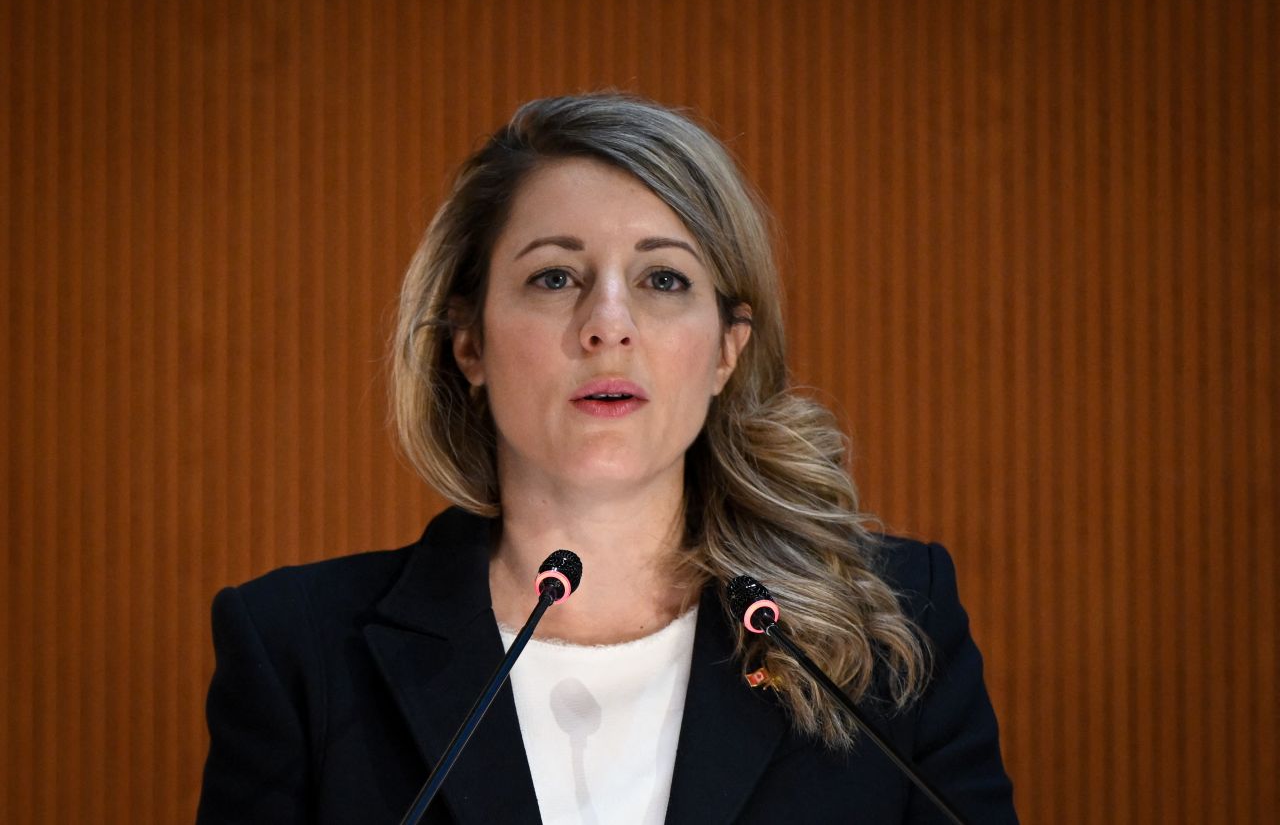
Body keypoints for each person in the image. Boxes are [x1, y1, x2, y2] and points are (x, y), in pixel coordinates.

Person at [197, 93, 1018, 824]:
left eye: (663, 279)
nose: (608, 324)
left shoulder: (894, 629)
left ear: (728, 350)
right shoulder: (299, 652)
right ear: (469, 341)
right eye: (555, 276)